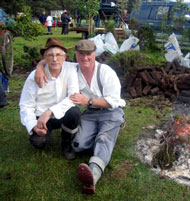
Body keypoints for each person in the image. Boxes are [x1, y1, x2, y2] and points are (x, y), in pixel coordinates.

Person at [35, 39, 125, 194]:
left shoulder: (105, 72)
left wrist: (88, 100)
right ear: (76, 55)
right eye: (81, 54)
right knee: (78, 145)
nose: (85, 58)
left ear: (94, 54)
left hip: (111, 112)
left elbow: (114, 101)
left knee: (103, 139)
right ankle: (101, 134)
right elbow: (52, 58)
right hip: (90, 114)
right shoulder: (71, 69)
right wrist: (39, 67)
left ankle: (93, 175)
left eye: (88, 54)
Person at [19, 37, 81, 160]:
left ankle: (67, 142)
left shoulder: (71, 69)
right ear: (45, 58)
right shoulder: (33, 77)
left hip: (60, 114)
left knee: (74, 112)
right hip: (41, 117)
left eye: (58, 55)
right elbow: (26, 105)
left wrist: (50, 111)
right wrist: (33, 125)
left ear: (64, 57)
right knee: (39, 143)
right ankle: (44, 133)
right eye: (50, 55)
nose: (54, 59)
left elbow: (73, 97)